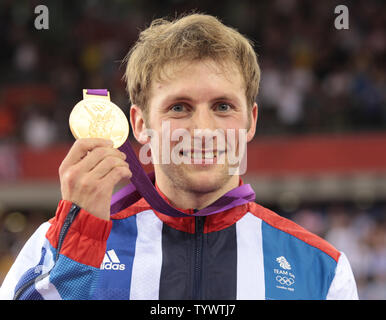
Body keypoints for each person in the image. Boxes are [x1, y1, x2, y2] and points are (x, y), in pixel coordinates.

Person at [0, 13, 358, 300]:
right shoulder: (57, 242)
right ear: (140, 125)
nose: (203, 129)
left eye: (222, 106)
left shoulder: (322, 269)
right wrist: (81, 243)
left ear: (251, 121)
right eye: (179, 107)